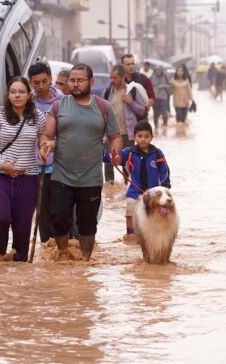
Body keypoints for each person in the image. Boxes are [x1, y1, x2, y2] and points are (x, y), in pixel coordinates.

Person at [39, 63, 123, 261]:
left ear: (91, 82)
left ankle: (85, 262)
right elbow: (46, 134)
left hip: (91, 177)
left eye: (80, 80)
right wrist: (46, 145)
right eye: (72, 80)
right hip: (62, 175)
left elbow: (115, 136)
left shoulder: (104, 107)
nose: (75, 84)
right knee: (59, 219)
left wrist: (116, 152)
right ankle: (63, 255)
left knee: (87, 224)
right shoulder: (59, 106)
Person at [0, 76, 46, 261]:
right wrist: (4, 165)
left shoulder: (38, 116)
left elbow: (44, 138)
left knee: (23, 224)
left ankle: (19, 264)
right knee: (0, 217)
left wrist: (43, 149)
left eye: (21, 92)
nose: (17, 95)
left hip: (28, 178)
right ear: (8, 94)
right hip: (0, 175)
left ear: (29, 95)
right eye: (13, 92)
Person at [115, 120, 171, 238]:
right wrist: (115, 158)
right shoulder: (129, 152)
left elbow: (164, 171)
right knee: (130, 211)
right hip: (135, 192)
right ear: (134, 137)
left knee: (156, 214)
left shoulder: (157, 153)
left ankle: (156, 235)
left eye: (146, 136)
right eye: (140, 136)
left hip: (154, 193)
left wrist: (165, 188)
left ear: (152, 137)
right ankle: (130, 234)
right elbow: (118, 158)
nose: (143, 139)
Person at [28, 62, 63, 243]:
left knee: (60, 213)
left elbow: (68, 134)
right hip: (35, 168)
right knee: (41, 214)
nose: (41, 86)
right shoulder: (27, 104)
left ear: (50, 79)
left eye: (44, 81)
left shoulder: (63, 102)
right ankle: (46, 250)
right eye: (36, 83)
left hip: (60, 167)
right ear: (30, 83)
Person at [102, 64, 147, 183]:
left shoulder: (132, 91)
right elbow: (101, 112)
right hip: (111, 133)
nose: (112, 80)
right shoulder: (107, 92)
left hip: (128, 133)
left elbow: (142, 110)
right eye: (111, 77)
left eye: (115, 77)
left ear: (123, 77)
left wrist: (131, 102)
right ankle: (110, 190)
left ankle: (127, 187)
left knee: (127, 163)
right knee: (108, 162)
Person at [120, 54, 155, 121]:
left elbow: (152, 97)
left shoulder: (144, 79)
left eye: (133, 64)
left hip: (140, 119)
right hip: (124, 120)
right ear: (122, 65)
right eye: (128, 64)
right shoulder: (119, 81)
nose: (131, 66)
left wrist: (146, 107)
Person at [171, 65, 193, 136]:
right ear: (176, 72)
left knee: (183, 119)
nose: (180, 72)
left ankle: (182, 134)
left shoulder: (186, 80)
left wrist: (192, 100)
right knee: (179, 118)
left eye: (181, 71)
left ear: (183, 72)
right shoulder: (173, 80)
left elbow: (189, 91)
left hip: (185, 102)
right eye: (178, 71)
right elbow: (170, 91)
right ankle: (178, 134)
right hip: (177, 102)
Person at [151, 66, 170, 133]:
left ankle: (165, 126)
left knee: (164, 112)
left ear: (161, 71)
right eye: (157, 70)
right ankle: (156, 127)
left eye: (159, 70)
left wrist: (165, 86)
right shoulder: (152, 77)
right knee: (155, 113)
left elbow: (169, 86)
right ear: (155, 71)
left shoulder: (165, 77)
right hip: (155, 97)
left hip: (163, 97)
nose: (158, 72)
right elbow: (149, 87)